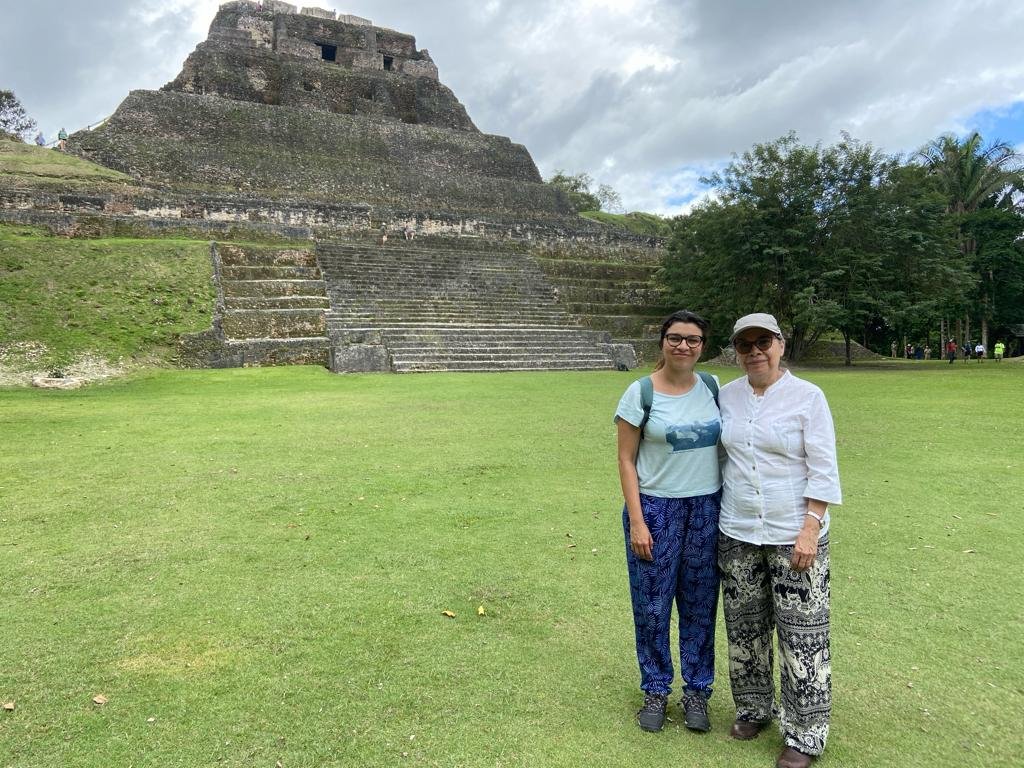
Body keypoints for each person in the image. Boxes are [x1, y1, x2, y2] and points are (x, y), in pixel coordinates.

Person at [717, 313, 842, 768]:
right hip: (738, 529)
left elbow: (823, 467)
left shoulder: (808, 397)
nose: (754, 351)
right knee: (745, 628)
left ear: (780, 345)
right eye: (744, 344)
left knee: (802, 634)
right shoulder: (726, 396)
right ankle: (753, 708)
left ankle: (805, 734)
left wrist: (810, 527)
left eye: (763, 342)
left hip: (795, 532)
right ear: (736, 351)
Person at [615, 310, 722, 734]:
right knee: (652, 606)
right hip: (655, 509)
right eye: (675, 337)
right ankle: (656, 689)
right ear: (663, 342)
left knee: (700, 605)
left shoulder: (712, 387)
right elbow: (626, 459)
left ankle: (697, 690)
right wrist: (638, 521)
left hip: (706, 507)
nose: (683, 346)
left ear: (703, 346)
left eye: (693, 339)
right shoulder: (640, 393)